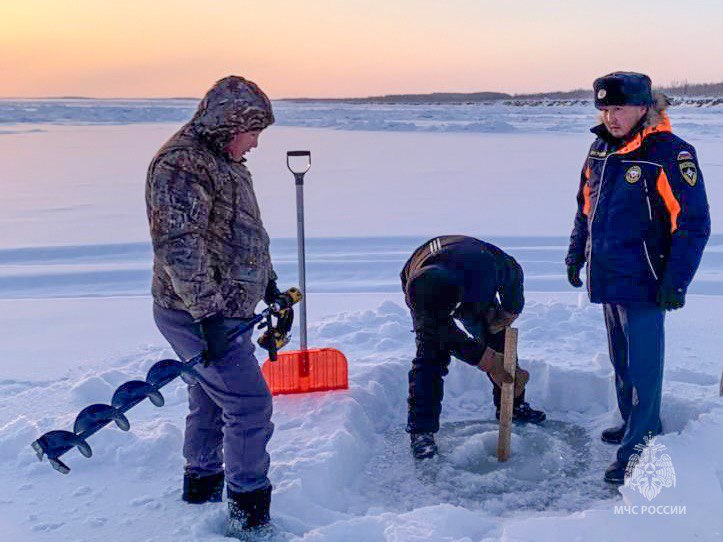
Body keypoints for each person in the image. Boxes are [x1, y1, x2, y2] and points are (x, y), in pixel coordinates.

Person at [146, 76, 284, 534]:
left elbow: (243, 231)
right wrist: (207, 315)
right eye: (254, 132)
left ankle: (201, 484)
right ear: (231, 124)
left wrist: (268, 284)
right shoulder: (182, 164)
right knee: (248, 404)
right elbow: (179, 246)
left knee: (209, 395)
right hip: (196, 311)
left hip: (225, 307)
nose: (257, 143)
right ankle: (250, 515)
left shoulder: (224, 158)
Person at [565, 72, 710, 484]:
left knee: (645, 366)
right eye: (605, 109)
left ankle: (641, 444)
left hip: (649, 280)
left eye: (619, 109)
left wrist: (675, 281)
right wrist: (578, 253)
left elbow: (694, 223)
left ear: (644, 107)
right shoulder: (599, 150)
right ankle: (633, 424)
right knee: (622, 361)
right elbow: (585, 209)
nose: (611, 117)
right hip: (609, 274)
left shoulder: (670, 153)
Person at [400, 235, 546, 459]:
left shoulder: (483, 274)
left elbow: (513, 271)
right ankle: (422, 432)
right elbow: (443, 333)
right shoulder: (416, 290)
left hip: (469, 276)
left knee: (497, 336)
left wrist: (510, 310)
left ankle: (513, 405)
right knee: (429, 357)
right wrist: (487, 361)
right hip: (429, 283)